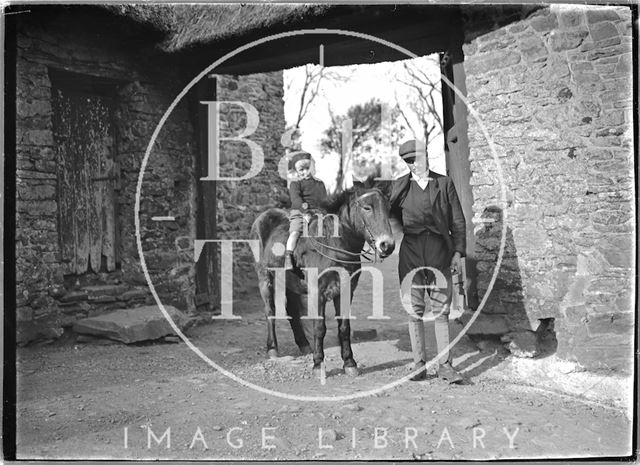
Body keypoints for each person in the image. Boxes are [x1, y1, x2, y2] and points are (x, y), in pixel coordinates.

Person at [390, 139, 465, 383]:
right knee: (414, 312)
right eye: (408, 161)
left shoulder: (444, 183)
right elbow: (384, 217)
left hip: (439, 251)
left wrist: (457, 252)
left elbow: (458, 221)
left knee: (441, 312)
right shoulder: (399, 187)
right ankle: (418, 365)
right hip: (411, 253)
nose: (413, 164)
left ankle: (445, 366)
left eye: (416, 159)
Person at [285, 151, 327, 270]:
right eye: (301, 170)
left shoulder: (320, 184)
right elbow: (296, 199)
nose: (305, 172)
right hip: (300, 212)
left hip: (318, 213)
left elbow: (324, 200)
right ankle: (288, 257)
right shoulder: (295, 184)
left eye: (307, 168)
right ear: (297, 172)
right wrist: (306, 212)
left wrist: (325, 212)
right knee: (295, 232)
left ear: (312, 167)